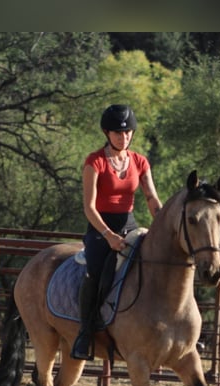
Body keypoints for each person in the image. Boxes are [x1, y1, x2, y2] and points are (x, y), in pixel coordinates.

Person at [71, 104, 163, 360]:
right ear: (106, 133)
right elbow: (89, 207)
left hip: (130, 225)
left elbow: (152, 199)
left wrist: (166, 223)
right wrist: (108, 236)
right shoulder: (95, 161)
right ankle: (85, 331)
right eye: (118, 133)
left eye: (128, 133)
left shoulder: (140, 162)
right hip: (100, 228)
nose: (124, 137)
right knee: (96, 271)